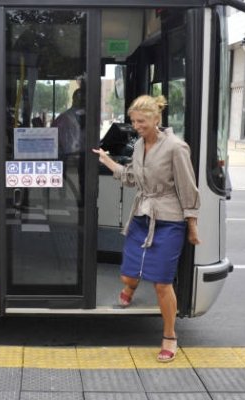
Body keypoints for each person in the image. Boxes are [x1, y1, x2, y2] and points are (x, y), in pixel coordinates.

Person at [92, 94, 201, 363]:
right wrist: (107, 161)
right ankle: (130, 288)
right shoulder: (139, 145)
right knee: (128, 275)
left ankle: (169, 336)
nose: (136, 125)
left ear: (156, 118)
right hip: (141, 216)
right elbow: (131, 178)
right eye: (133, 121)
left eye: (141, 121)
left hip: (169, 220)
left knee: (162, 283)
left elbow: (188, 188)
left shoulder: (176, 147)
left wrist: (192, 225)